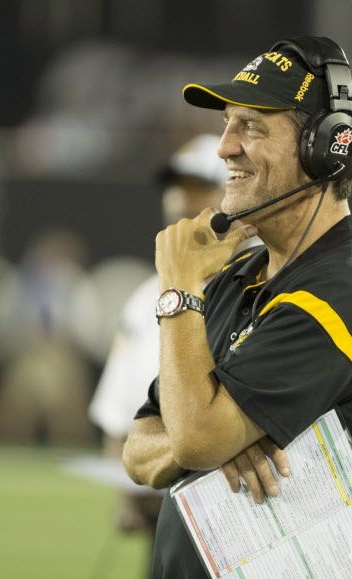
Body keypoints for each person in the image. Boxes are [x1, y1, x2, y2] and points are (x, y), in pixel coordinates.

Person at [123, 36, 352, 579]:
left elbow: (194, 437)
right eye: (229, 125)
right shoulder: (239, 274)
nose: (226, 148)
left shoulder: (349, 291)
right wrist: (199, 438)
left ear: (326, 148)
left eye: (253, 127)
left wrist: (179, 290)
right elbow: (140, 446)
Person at [89, 134, 228, 531]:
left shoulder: (261, 282)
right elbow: (118, 409)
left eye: (198, 189)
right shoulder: (146, 296)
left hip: (235, 506)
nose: (182, 201)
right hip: (160, 501)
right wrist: (128, 495)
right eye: (176, 190)